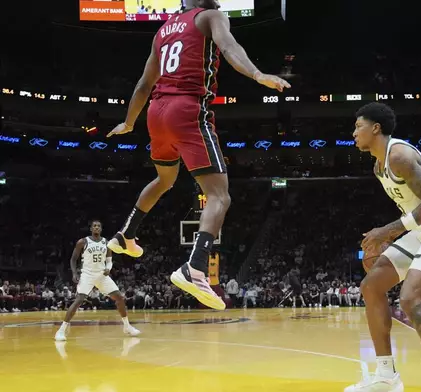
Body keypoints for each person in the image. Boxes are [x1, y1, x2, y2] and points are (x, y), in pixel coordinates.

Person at [105, 0, 290, 310]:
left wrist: (129, 121)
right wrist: (258, 75)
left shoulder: (163, 30)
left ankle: (126, 235)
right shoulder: (210, 16)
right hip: (186, 109)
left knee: (164, 179)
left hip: (156, 112)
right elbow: (230, 49)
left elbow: (144, 83)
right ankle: (195, 266)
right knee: (219, 196)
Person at [345, 102, 421, 392]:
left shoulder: (399, 155)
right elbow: (416, 209)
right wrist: (391, 236)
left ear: (375, 128)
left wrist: (387, 231)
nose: (353, 133)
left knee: (410, 300)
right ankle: (387, 376)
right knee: (371, 286)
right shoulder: (378, 166)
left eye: (358, 127)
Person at [55, 221, 140, 341]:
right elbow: (73, 259)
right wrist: (74, 273)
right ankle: (61, 330)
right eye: (94, 226)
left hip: (101, 275)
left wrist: (108, 269)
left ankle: (127, 326)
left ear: (101, 229)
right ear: (91, 228)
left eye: (98, 226)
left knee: (119, 298)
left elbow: (109, 260)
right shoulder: (83, 242)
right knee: (79, 300)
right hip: (87, 274)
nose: (96, 227)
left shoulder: (107, 242)